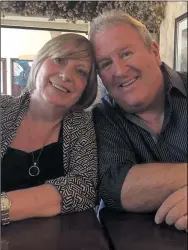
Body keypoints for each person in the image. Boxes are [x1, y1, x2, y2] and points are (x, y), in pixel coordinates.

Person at [89, 10, 187, 231]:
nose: (120, 71)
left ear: (154, 51)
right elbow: (115, 186)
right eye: (105, 64)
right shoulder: (103, 117)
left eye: (125, 54)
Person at [1, 33, 98, 225]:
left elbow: (83, 187)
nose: (66, 75)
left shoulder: (82, 124)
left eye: (80, 72)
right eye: (59, 60)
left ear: (87, 87)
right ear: (40, 62)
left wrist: (4, 207)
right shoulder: (2, 108)